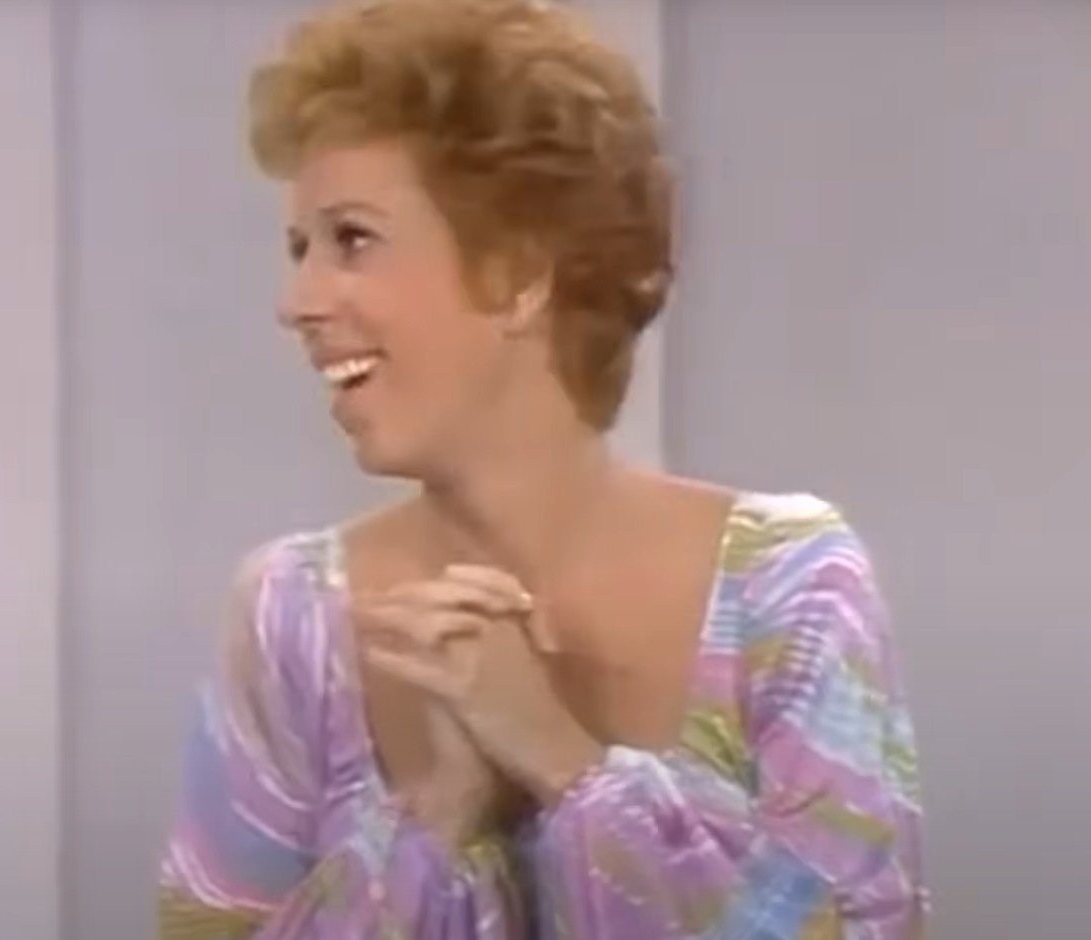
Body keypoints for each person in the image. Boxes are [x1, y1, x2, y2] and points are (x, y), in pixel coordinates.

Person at [156, 0, 928, 936]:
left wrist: (562, 760)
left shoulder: (789, 586)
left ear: (520, 273)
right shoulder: (290, 615)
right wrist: (436, 816)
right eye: (298, 248)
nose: (297, 301)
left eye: (352, 239)